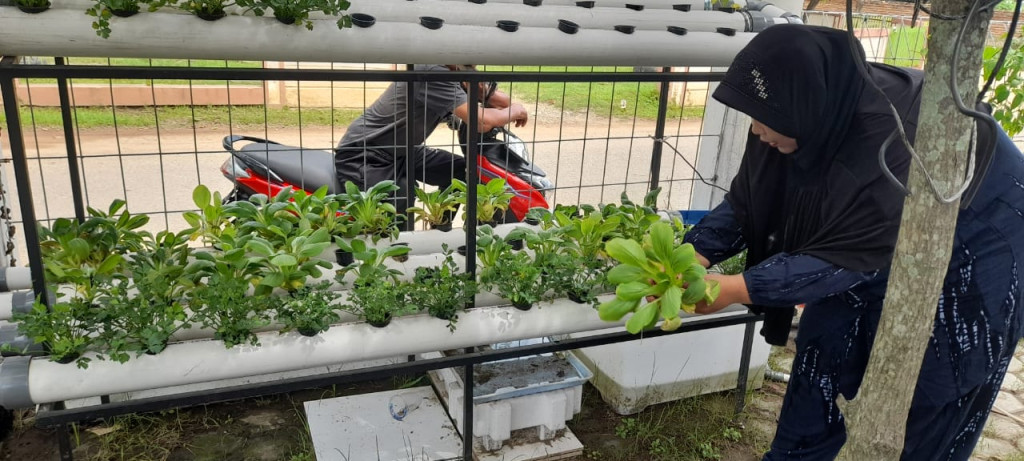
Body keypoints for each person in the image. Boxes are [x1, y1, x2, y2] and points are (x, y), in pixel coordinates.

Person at [681, 25, 1024, 460]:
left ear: (805, 108)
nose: (757, 130)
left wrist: (738, 289)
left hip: (980, 235)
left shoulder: (889, 137)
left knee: (934, 383)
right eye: (752, 114)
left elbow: (849, 259)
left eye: (764, 118)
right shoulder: (804, 110)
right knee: (826, 351)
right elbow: (752, 197)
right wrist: (697, 251)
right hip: (875, 227)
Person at [334, 64, 528, 212]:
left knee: (462, 172)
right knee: (400, 195)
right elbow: (483, 121)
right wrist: (516, 109)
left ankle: (440, 227)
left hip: (401, 151)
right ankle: (400, 253)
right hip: (364, 154)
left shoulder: (450, 72)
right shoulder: (434, 73)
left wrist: (476, 84)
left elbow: (499, 101)